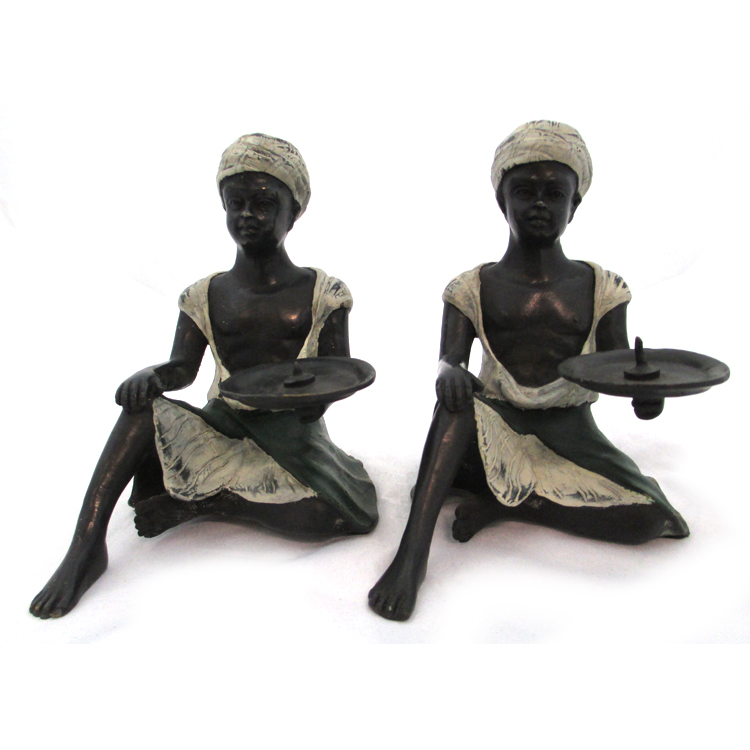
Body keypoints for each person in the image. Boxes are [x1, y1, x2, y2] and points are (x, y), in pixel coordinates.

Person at [31, 134, 378, 619]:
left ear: (294, 212)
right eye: (236, 203)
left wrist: (312, 401)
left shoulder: (325, 292)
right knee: (140, 412)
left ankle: (206, 504)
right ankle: (86, 545)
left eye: (264, 204)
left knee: (339, 515)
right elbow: (182, 370)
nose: (247, 215)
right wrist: (151, 374)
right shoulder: (203, 295)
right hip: (223, 426)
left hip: (293, 439)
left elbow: (337, 373)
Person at [368, 120, 688, 622]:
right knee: (456, 404)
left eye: (554, 194)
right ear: (503, 201)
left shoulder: (604, 288)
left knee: (651, 520)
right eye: (524, 192)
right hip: (494, 423)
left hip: (571, 432)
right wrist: (448, 371)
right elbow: (450, 360)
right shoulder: (469, 288)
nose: (539, 204)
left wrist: (647, 397)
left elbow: (620, 370)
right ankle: (411, 557)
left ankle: (512, 502)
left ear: (574, 204)